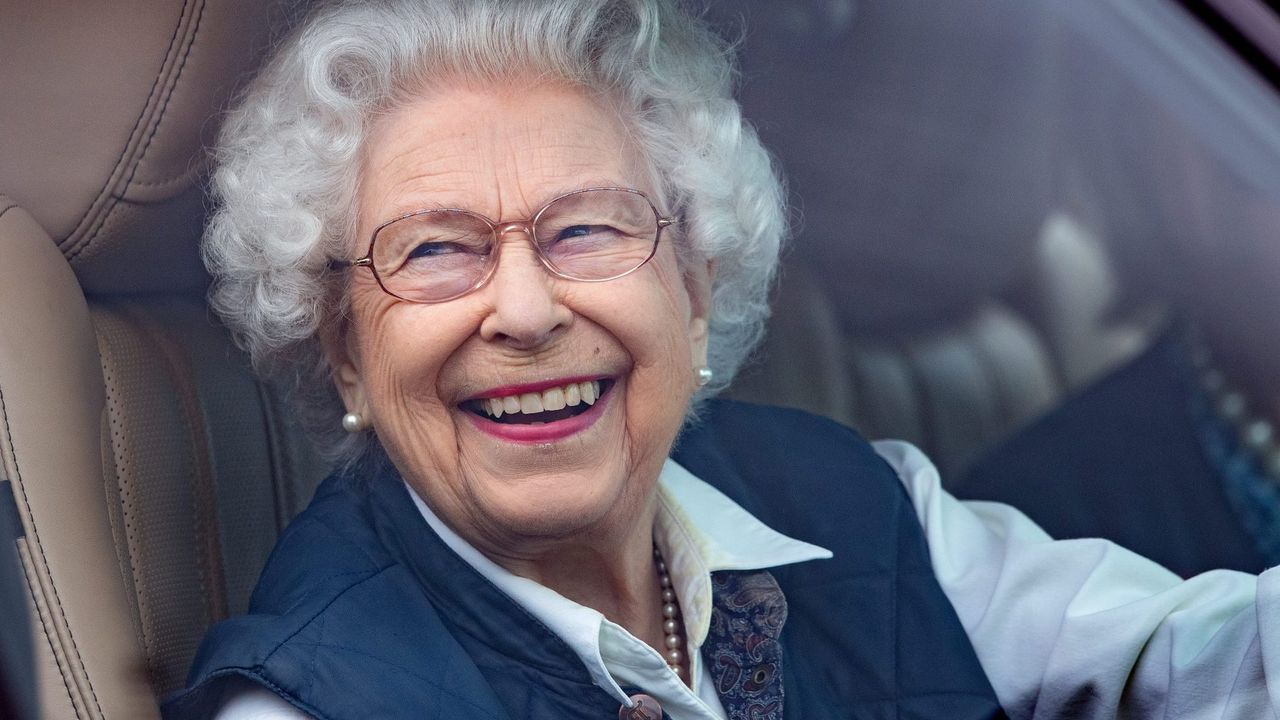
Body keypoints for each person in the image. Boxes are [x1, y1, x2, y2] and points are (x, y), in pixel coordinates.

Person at [163, 1, 1280, 718]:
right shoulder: (311, 703)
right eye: (435, 249)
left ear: (693, 292)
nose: (523, 307)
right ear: (349, 352)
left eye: (586, 228)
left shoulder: (857, 504)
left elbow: (1209, 662)